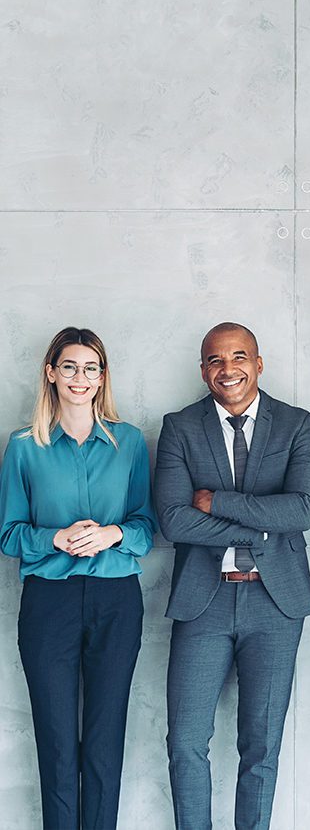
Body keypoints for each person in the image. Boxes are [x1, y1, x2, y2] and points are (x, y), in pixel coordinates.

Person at [154, 322, 310, 830]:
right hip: (201, 603)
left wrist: (220, 503)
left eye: (239, 357)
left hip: (276, 605)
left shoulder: (296, 424)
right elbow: (174, 520)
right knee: (185, 742)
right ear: (203, 369)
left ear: (259, 362)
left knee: (261, 746)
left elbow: (303, 509)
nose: (227, 369)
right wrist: (261, 529)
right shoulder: (180, 427)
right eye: (214, 360)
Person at [0, 327, 156, 830]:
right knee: (57, 742)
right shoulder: (24, 447)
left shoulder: (129, 442)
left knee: (106, 741)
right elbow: (8, 535)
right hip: (49, 603)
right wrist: (55, 539)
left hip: (117, 599)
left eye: (91, 368)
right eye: (69, 366)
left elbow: (146, 528)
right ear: (51, 373)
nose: (80, 378)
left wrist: (113, 533)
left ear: (102, 376)